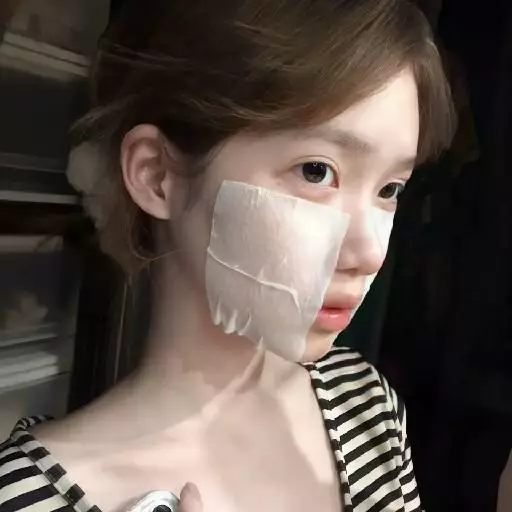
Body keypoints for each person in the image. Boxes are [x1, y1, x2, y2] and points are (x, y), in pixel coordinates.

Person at [0, 0, 455, 511]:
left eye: (390, 189)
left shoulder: (367, 408)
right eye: (316, 171)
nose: (369, 253)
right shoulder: (28, 496)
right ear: (157, 175)